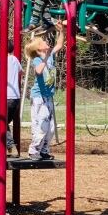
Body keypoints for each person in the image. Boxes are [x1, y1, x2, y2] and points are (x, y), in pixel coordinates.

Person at [24, 26, 64, 160]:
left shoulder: (50, 55)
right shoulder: (37, 59)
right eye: (43, 42)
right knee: (41, 125)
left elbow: (59, 44)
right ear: (39, 48)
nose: (47, 42)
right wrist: (46, 57)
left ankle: (44, 150)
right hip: (38, 97)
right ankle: (33, 151)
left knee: (51, 127)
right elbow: (39, 71)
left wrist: (61, 31)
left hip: (48, 96)